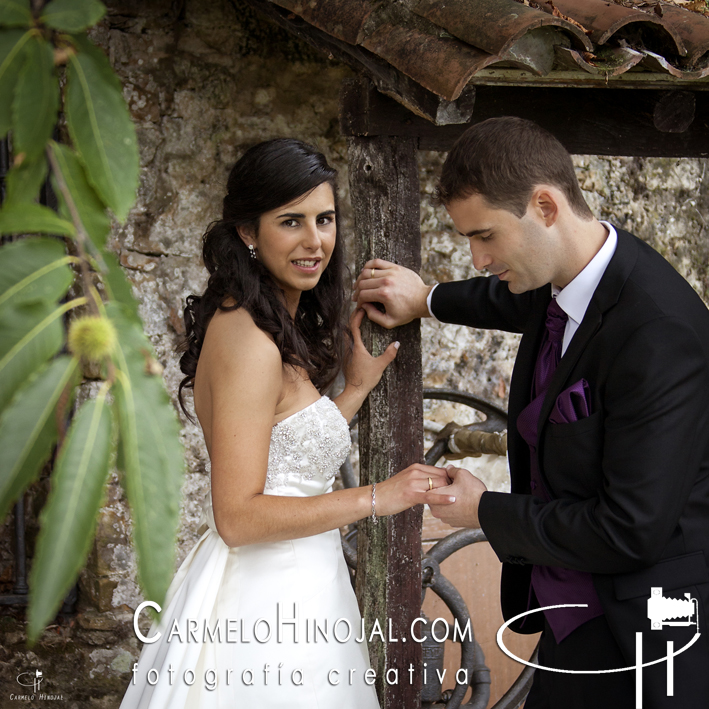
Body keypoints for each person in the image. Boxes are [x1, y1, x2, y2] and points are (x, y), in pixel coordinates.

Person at [353, 117, 709, 708]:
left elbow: (630, 529)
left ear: (545, 205)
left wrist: (482, 509)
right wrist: (427, 299)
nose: (478, 256)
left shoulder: (658, 332)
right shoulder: (568, 279)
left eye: (486, 236)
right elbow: (508, 298)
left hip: (645, 633)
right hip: (574, 615)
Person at [120, 138, 454, 708]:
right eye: (291, 222)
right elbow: (240, 517)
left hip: (306, 584)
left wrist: (351, 392)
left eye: (325, 219)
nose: (315, 241)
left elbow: (284, 454)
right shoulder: (248, 340)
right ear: (249, 233)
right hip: (268, 602)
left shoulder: (265, 323)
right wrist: (381, 496)